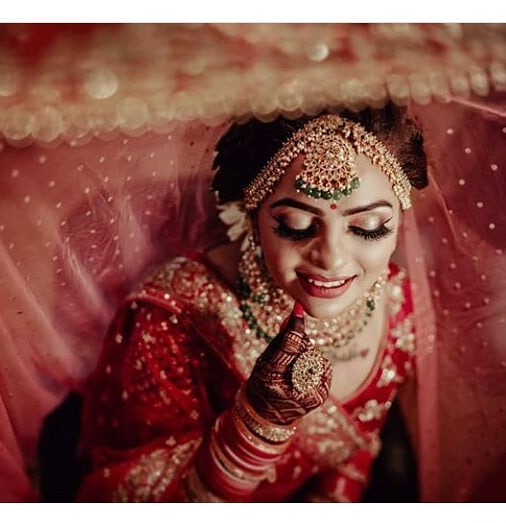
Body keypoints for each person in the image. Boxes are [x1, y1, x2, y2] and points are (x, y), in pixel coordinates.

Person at [76, 103, 427, 502]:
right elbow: (118, 496)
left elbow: (356, 452)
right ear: (252, 214)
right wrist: (254, 428)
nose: (332, 258)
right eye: (295, 226)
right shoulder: (172, 317)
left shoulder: (398, 303)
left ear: (399, 219)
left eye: (368, 228)